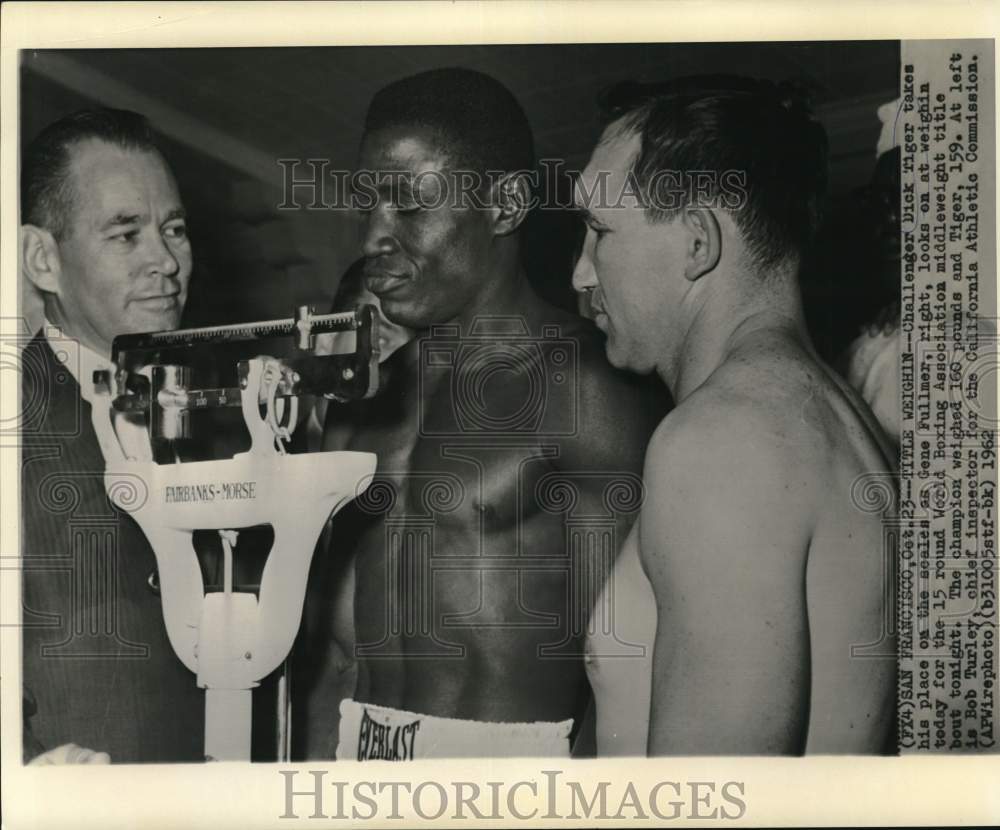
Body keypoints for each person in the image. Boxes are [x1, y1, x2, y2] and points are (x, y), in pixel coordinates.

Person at [310, 67, 663, 760]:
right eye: (368, 207)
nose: (376, 237)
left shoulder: (585, 389)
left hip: (512, 778)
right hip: (359, 759)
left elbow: (623, 673)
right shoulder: (361, 405)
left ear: (504, 205)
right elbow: (334, 655)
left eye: (410, 206)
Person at [571, 75, 898, 754]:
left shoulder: (724, 439)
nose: (580, 273)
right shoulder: (838, 417)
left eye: (599, 230)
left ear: (697, 242)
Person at [19, 107, 202, 763]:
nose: (166, 262)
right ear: (43, 258)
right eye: (126, 236)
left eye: (174, 230)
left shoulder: (220, 415)